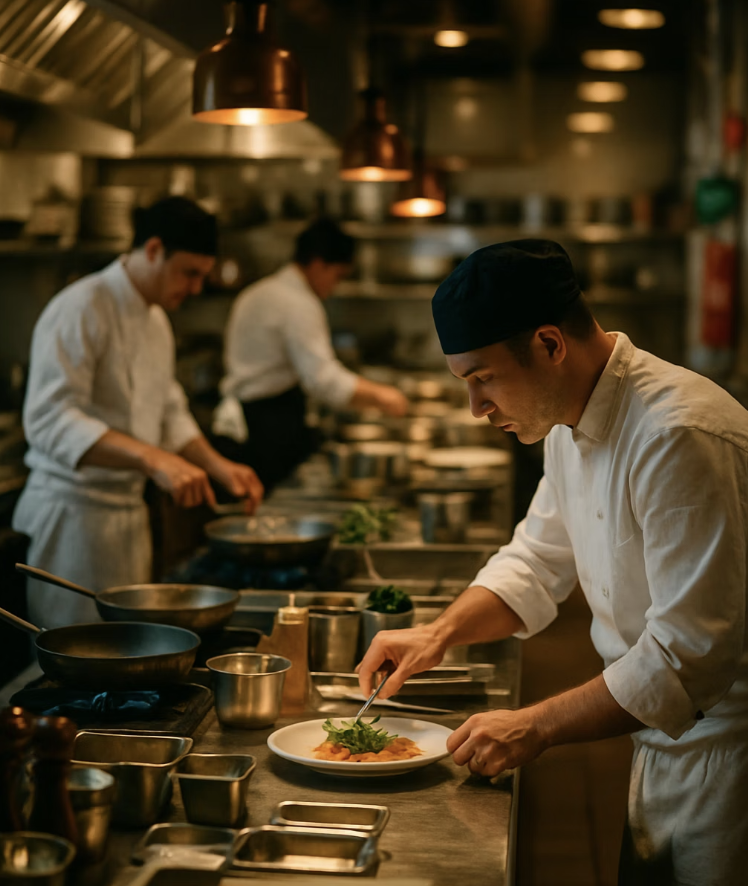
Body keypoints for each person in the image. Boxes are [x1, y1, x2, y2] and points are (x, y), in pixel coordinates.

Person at [358, 239, 748, 886]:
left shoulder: (678, 436)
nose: (477, 408)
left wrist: (534, 725)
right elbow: (537, 559)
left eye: (483, 379)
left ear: (549, 344)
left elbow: (687, 658)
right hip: (662, 743)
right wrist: (437, 635)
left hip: (728, 761)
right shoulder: (571, 417)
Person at [13, 197, 264, 628]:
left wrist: (218, 466)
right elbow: (49, 419)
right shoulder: (81, 306)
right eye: (189, 273)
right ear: (152, 250)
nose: (197, 288)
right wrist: (154, 459)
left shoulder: (156, 322)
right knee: (70, 666)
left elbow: (168, 410)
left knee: (125, 655)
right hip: (73, 522)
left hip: (128, 520)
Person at [213, 217, 408, 491]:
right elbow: (323, 380)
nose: (335, 286)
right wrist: (381, 395)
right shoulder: (299, 303)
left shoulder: (259, 292)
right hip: (268, 427)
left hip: (245, 420)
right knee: (275, 505)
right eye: (337, 276)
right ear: (318, 265)